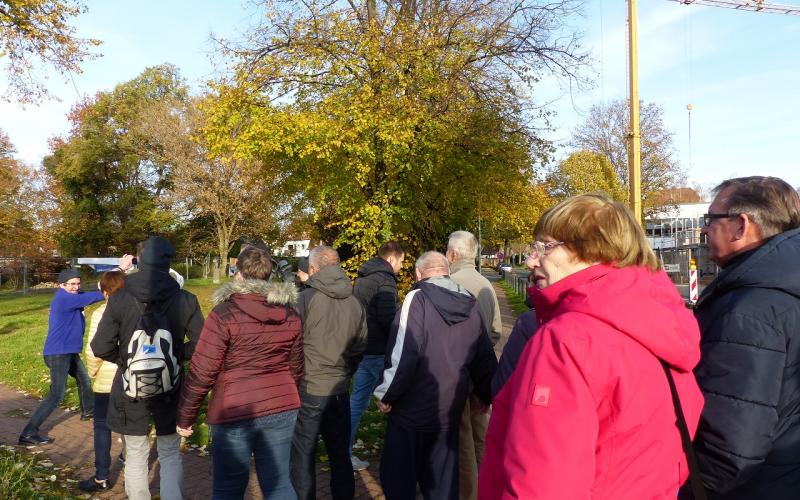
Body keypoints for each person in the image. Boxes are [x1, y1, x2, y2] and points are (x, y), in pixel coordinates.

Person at [479, 194, 704, 499]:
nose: (532, 260)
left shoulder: (567, 340)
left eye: (545, 247)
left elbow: (544, 487)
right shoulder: (663, 327)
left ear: (592, 250)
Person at [683, 176, 800, 499]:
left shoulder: (748, 310)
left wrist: (688, 491)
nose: (705, 230)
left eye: (711, 219)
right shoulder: (783, 288)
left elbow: (732, 446)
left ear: (741, 225)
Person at [176, 245, 303, 499]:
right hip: (281, 405)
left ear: (239, 274)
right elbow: (297, 367)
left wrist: (185, 416)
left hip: (234, 409)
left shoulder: (224, 314)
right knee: (278, 483)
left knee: (228, 488)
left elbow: (203, 370)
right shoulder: (290, 314)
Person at [374, 251, 496, 500]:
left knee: (398, 482)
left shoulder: (416, 299)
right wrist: (486, 394)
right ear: (447, 271)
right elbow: (484, 355)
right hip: (449, 410)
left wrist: (386, 393)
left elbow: (404, 351)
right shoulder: (470, 302)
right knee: (442, 485)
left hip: (412, 411)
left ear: (419, 273)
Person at [91, 236, 204, 500]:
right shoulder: (186, 299)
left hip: (130, 387)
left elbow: (100, 345)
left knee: (136, 453)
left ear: (140, 260)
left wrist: (126, 361)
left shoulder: (119, 298)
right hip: (170, 384)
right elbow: (202, 342)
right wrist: (176, 355)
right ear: (168, 262)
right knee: (170, 451)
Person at [18, 256, 133, 446]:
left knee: (84, 379)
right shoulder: (64, 299)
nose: (76, 287)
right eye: (72, 284)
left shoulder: (72, 297)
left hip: (68, 352)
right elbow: (100, 293)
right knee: (57, 393)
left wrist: (118, 272)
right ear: (61, 285)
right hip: (58, 354)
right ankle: (28, 433)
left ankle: (89, 411)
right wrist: (120, 269)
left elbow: (99, 288)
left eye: (78, 284)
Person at [290, 245, 367, 500]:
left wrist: (297, 376)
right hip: (339, 388)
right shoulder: (355, 301)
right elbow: (360, 346)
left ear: (313, 269)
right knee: (339, 454)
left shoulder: (304, 299)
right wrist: (346, 372)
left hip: (310, 387)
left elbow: (291, 346)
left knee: (303, 455)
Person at [445, 231, 502, 500]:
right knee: (482, 436)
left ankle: (467, 493)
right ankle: (487, 488)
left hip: (457, 375)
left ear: (452, 254)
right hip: (483, 373)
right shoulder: (485, 284)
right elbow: (496, 331)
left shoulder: (448, 285)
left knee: (462, 439)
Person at [348, 241, 405, 471]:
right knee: (393, 399)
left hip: (363, 347)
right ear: (391, 259)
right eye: (401, 261)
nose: (402, 266)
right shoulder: (385, 280)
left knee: (357, 402)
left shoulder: (362, 277)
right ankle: (398, 454)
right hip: (379, 350)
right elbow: (387, 318)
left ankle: (343, 451)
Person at [77, 270, 126, 492]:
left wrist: (93, 372)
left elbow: (93, 349)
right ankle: (129, 459)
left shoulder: (101, 313)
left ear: (105, 291)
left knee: (102, 426)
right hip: (131, 376)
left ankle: (102, 477)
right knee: (130, 422)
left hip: (106, 376)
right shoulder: (139, 309)